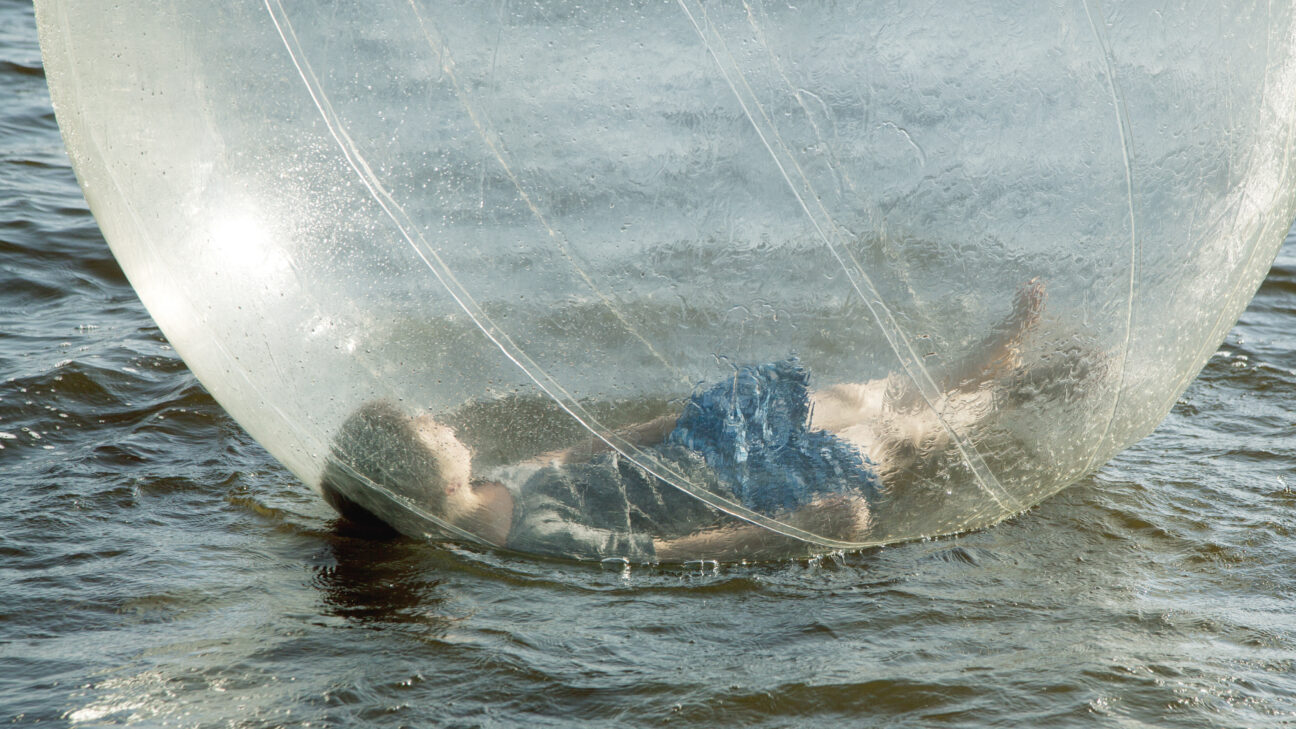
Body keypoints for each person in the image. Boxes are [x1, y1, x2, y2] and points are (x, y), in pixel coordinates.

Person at [320, 279, 1046, 562]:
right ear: (426, 479)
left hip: (702, 448)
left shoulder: (497, 480)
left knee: (851, 397)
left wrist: (674, 422)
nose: (434, 418)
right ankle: (1008, 391)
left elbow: (584, 449)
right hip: (743, 491)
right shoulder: (533, 538)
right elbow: (661, 550)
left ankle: (979, 363)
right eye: (422, 429)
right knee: (893, 438)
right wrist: (795, 530)